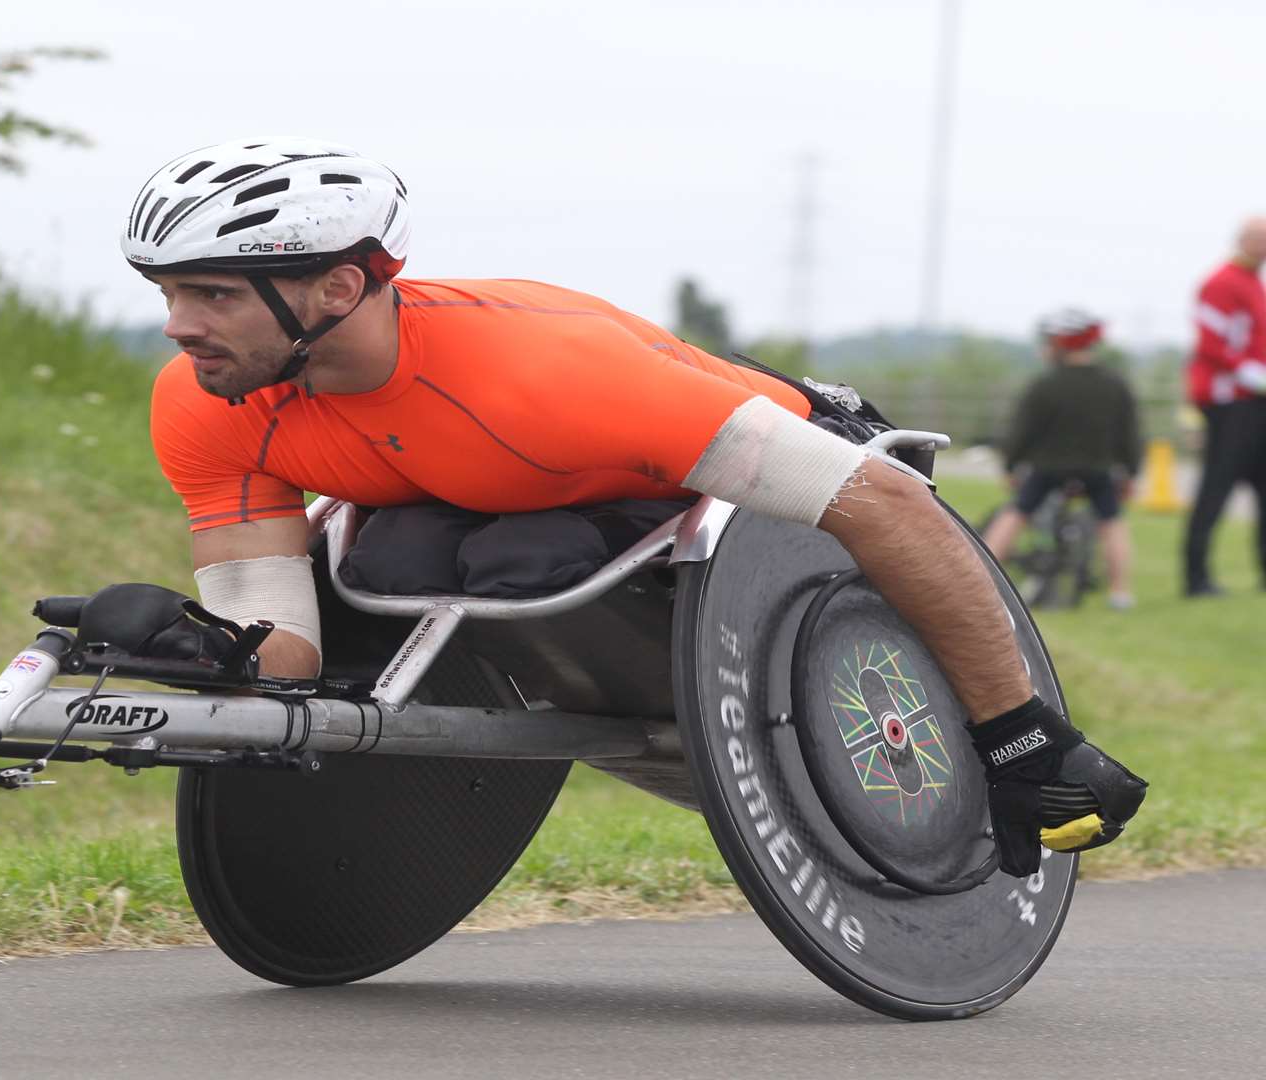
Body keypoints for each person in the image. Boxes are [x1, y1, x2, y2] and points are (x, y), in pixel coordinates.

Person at [124, 136, 1145, 877]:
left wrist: (1025, 738)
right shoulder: (206, 400)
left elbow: (888, 503)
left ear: (340, 288)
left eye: (210, 293)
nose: (178, 327)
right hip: (512, 503)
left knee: (523, 555)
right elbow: (285, 649)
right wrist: (208, 659)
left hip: (726, 454)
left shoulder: (547, 376)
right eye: (167, 292)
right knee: (404, 555)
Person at [982, 308, 1140, 608]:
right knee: (1112, 522)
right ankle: (1120, 592)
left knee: (1014, 514)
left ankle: (981, 580)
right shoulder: (1114, 384)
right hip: (1097, 470)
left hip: (1048, 469)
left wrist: (1010, 466)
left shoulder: (1045, 385)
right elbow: (1128, 434)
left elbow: (1023, 431)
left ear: (1061, 344)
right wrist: (1131, 472)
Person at [1182, 217, 1266, 597]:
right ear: (1246, 240)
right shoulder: (1221, 282)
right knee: (1216, 487)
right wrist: (1250, 373)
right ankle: (1196, 577)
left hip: (1254, 402)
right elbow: (1212, 343)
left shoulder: (1252, 283)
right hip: (1228, 402)